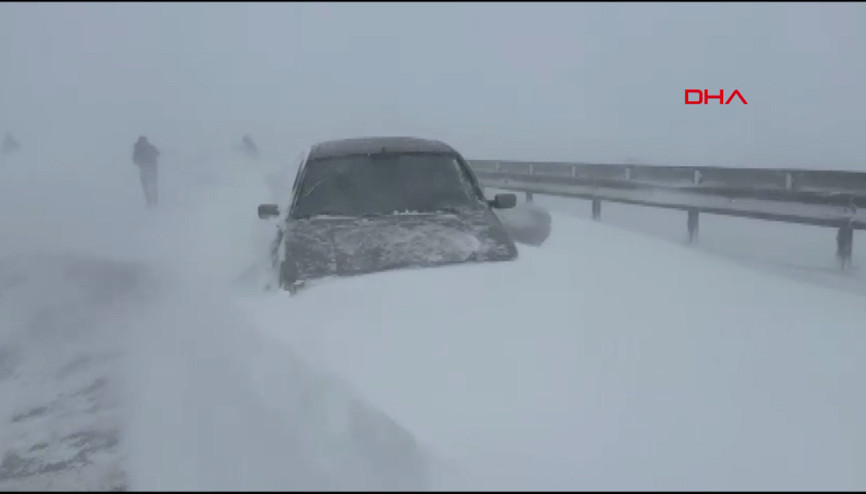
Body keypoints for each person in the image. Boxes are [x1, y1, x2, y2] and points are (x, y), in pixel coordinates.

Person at [132, 136, 160, 208]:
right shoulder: (138, 150)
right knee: (147, 187)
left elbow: (158, 153)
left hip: (151, 170)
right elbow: (135, 160)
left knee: (153, 186)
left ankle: (154, 201)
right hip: (145, 170)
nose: (144, 143)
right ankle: (150, 202)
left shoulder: (149, 148)